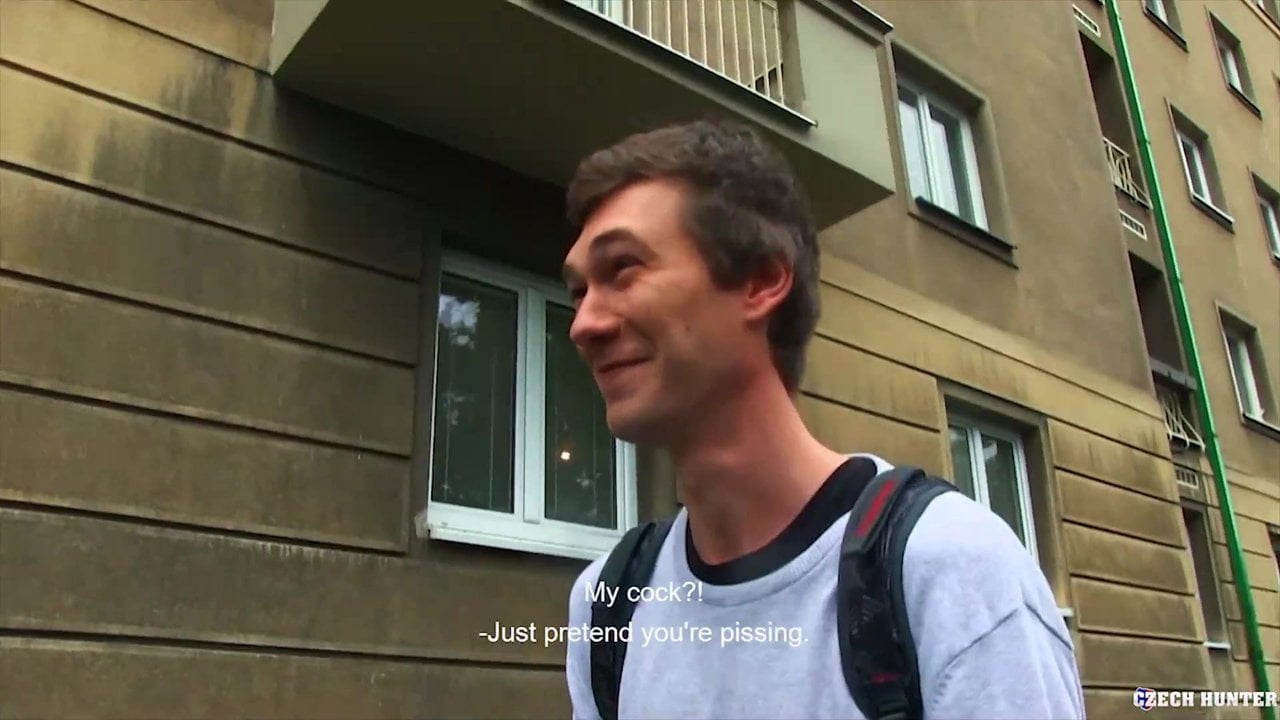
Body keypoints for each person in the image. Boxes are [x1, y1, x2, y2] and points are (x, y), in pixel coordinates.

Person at [559, 119, 1086, 720]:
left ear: (762, 280)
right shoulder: (608, 605)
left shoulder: (952, 573)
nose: (584, 325)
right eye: (578, 292)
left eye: (623, 269)